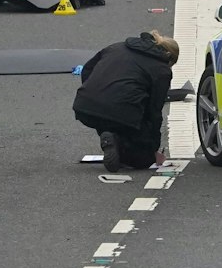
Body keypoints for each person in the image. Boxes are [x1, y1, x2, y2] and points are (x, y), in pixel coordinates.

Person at [73, 31, 179, 171]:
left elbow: (87, 70)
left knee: (109, 119)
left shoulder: (116, 47)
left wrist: (93, 93)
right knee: (142, 160)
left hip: (86, 106)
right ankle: (119, 142)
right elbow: (154, 110)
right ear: (169, 57)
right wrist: (152, 148)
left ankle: (111, 136)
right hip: (122, 113)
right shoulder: (161, 70)